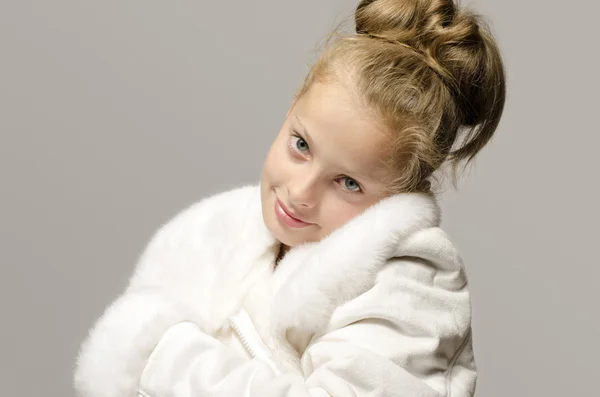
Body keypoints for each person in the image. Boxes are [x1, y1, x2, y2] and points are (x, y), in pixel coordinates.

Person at [73, 0, 505, 396]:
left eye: (348, 183)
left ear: (401, 191)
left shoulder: (411, 288)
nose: (300, 193)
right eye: (301, 145)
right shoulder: (216, 230)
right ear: (290, 110)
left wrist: (158, 356)